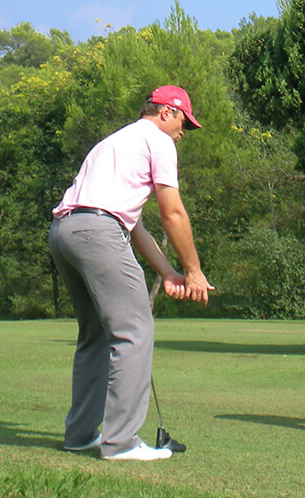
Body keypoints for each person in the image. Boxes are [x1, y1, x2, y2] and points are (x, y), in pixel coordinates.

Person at [49, 85, 213, 462]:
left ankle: (80, 435)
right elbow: (172, 213)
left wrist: (169, 273)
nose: (183, 132)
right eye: (183, 121)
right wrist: (193, 272)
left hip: (64, 232)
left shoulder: (114, 142)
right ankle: (121, 442)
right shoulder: (158, 140)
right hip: (97, 231)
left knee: (96, 334)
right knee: (135, 330)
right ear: (166, 113)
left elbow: (134, 226)